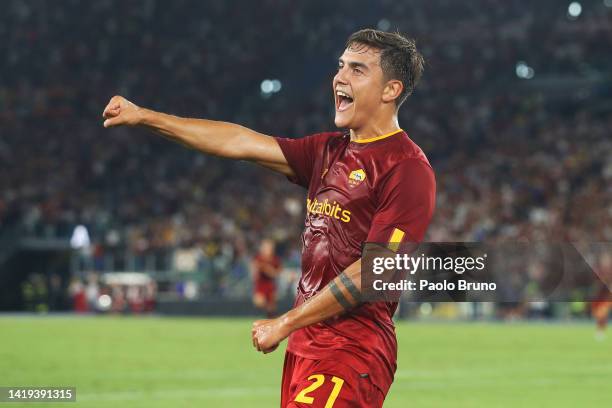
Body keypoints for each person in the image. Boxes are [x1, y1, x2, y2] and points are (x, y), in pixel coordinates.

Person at [102, 28, 435, 407]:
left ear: (390, 90)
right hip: (306, 348)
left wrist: (286, 322)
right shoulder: (326, 151)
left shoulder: (406, 168)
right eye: (340, 66)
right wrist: (145, 116)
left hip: (353, 349)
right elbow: (238, 141)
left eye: (357, 70)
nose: (340, 77)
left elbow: (376, 270)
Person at [252, 239, 282, 317]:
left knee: (272, 308)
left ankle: (272, 318)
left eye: (269, 248)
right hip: (260, 284)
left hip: (270, 285)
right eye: (265, 248)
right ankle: (268, 313)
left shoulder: (275, 259)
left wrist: (269, 270)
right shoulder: (259, 258)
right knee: (259, 302)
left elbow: (278, 272)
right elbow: (254, 268)